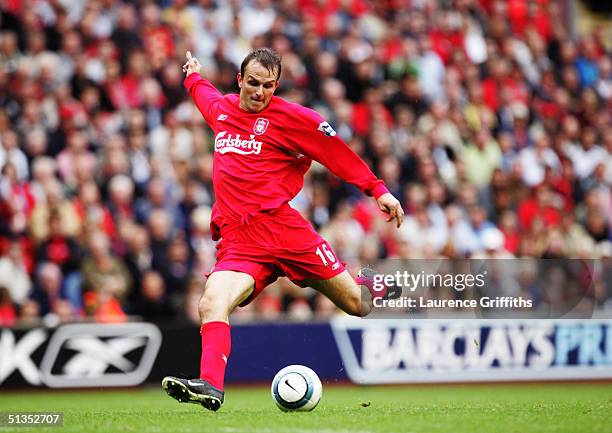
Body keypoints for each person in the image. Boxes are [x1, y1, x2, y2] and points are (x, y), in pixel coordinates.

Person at [162, 49, 404, 411]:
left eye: (269, 86)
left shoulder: (295, 118)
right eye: (254, 83)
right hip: (240, 242)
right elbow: (202, 93)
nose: (260, 92)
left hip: (285, 232)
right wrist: (192, 74)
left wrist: (378, 190)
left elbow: (336, 153)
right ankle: (210, 385)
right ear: (240, 80)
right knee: (211, 302)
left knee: (357, 304)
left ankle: (376, 284)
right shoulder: (222, 110)